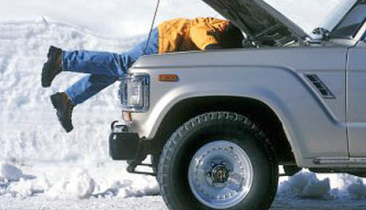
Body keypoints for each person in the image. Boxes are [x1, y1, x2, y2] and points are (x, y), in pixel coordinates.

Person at [41, 17, 244, 132]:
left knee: (116, 70)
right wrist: (212, 49)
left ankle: (67, 98)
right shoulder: (220, 27)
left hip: (164, 40)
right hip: (164, 40)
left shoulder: (221, 30)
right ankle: (63, 59)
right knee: (122, 64)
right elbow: (198, 32)